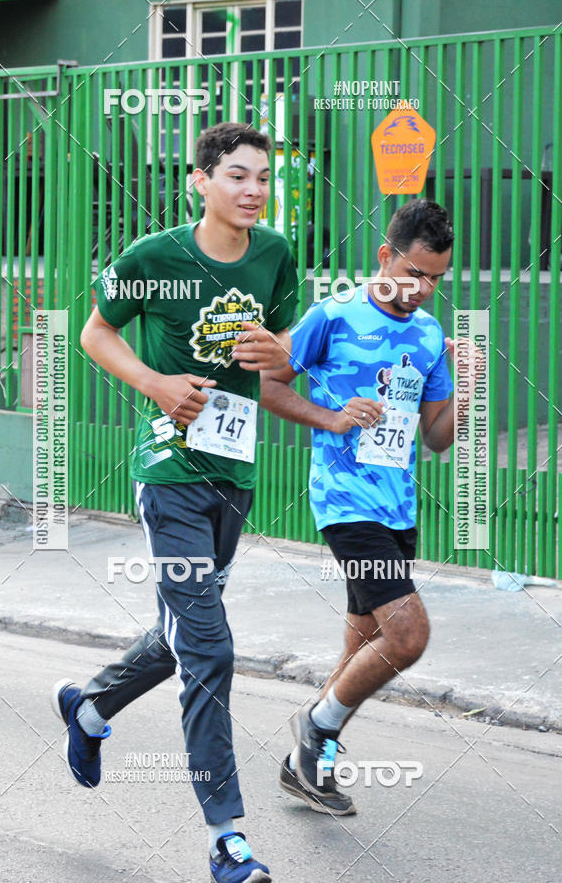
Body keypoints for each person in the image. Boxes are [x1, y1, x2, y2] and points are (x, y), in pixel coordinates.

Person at [51, 122, 298, 883]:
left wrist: (281, 355)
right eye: (236, 175)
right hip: (168, 472)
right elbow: (95, 334)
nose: (253, 189)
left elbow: (283, 358)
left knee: (182, 631)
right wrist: (155, 384)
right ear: (201, 179)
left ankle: (90, 709)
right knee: (211, 647)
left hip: (237, 473)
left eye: (262, 176)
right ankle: (228, 838)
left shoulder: (275, 255)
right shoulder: (153, 256)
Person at [260, 199, 473, 816]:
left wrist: (472, 386)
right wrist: (331, 416)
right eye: (414, 274)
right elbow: (270, 383)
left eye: (436, 278)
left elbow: (435, 437)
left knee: (364, 646)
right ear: (386, 256)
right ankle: (316, 729)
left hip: (398, 507)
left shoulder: (430, 334)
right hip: (345, 501)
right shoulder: (334, 314)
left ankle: (308, 768)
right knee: (408, 636)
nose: (423, 289)